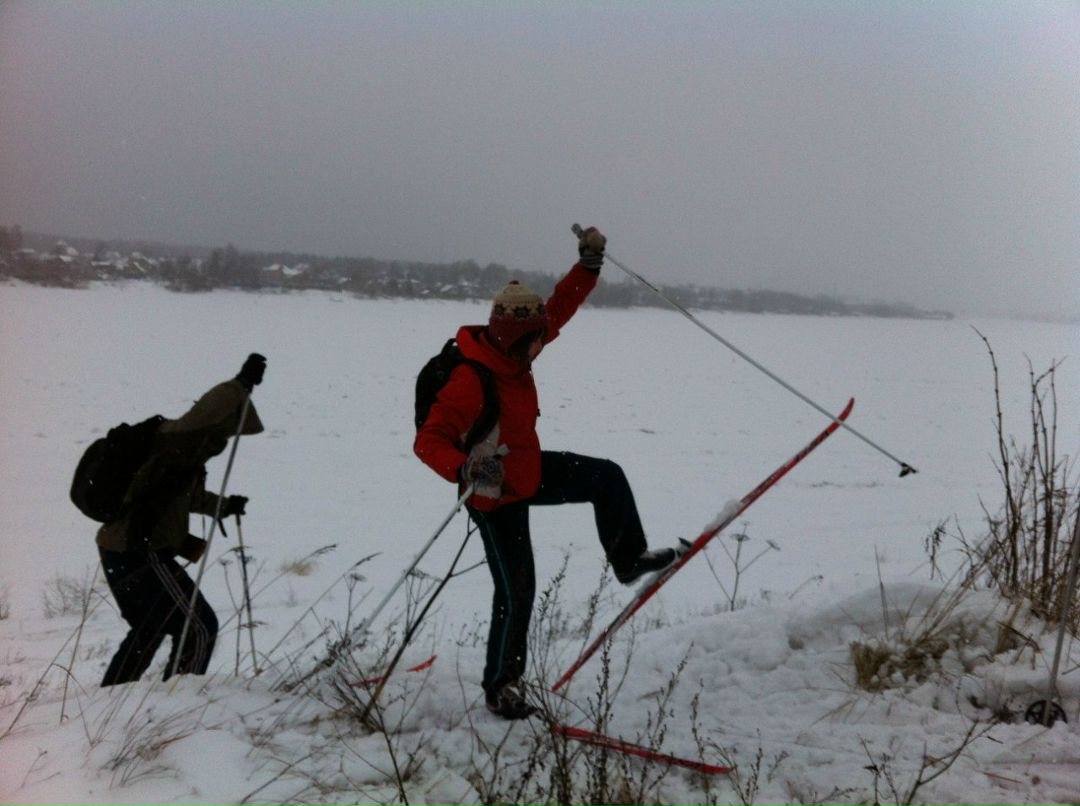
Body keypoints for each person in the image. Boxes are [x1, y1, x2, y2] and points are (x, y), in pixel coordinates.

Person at [414, 228, 679, 719]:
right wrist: (465, 467)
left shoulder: (516, 348)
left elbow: (558, 308)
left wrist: (589, 265)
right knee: (517, 592)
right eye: (536, 340)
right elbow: (428, 441)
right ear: (515, 338)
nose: (544, 344)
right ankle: (501, 687)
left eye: (541, 337)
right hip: (493, 494)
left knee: (606, 477)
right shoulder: (471, 379)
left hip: (527, 469)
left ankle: (628, 559)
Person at [96, 354, 267, 686]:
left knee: (149, 626)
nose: (225, 440)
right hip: (139, 551)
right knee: (199, 627)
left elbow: (187, 497)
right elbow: (205, 412)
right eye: (226, 431)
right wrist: (241, 384)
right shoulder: (175, 440)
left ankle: (112, 700)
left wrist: (224, 505)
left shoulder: (181, 455)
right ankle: (178, 700)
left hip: (121, 549)